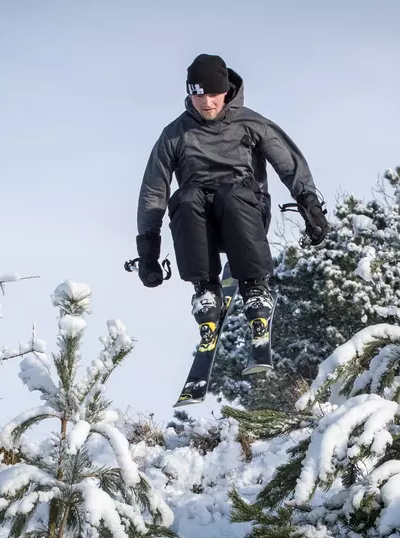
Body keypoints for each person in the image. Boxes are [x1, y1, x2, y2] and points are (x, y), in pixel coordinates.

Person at [135, 53, 328, 334]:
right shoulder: (174, 135)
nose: (207, 103)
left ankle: (255, 285)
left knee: (231, 195)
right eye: (199, 96)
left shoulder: (251, 124)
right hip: (201, 228)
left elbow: (289, 164)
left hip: (246, 216)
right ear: (190, 94)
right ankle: (205, 288)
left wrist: (310, 206)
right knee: (186, 197)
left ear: (226, 91)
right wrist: (148, 252)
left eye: (214, 94)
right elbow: (154, 190)